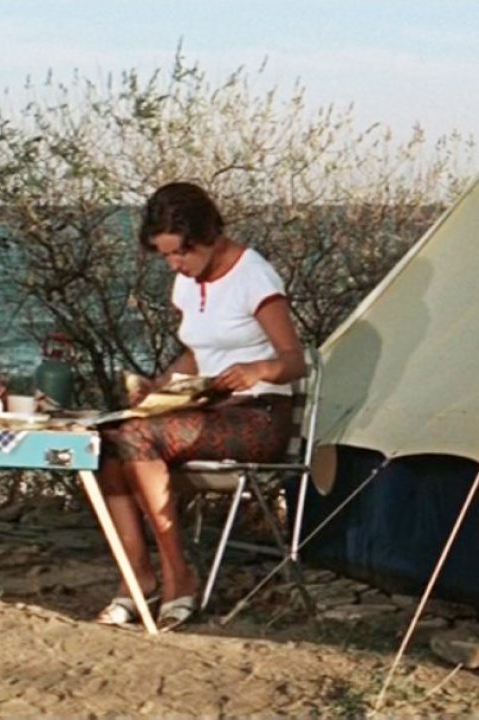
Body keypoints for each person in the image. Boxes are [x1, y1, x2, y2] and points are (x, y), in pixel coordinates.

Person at [97, 181, 306, 631]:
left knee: (136, 439)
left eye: (180, 254)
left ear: (207, 236)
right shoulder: (187, 282)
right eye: (166, 256)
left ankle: (179, 577)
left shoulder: (254, 276)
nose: (175, 265)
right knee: (107, 443)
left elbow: (295, 360)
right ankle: (138, 576)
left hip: (258, 416)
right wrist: (159, 389)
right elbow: (198, 351)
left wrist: (258, 371)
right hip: (210, 411)